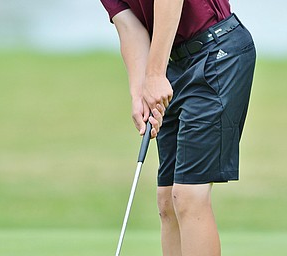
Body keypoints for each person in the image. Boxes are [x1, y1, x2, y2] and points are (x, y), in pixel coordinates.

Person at [100, 0, 256, 255]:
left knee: (188, 196)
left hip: (217, 52)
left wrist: (155, 75)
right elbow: (130, 27)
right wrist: (139, 91)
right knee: (167, 200)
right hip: (173, 64)